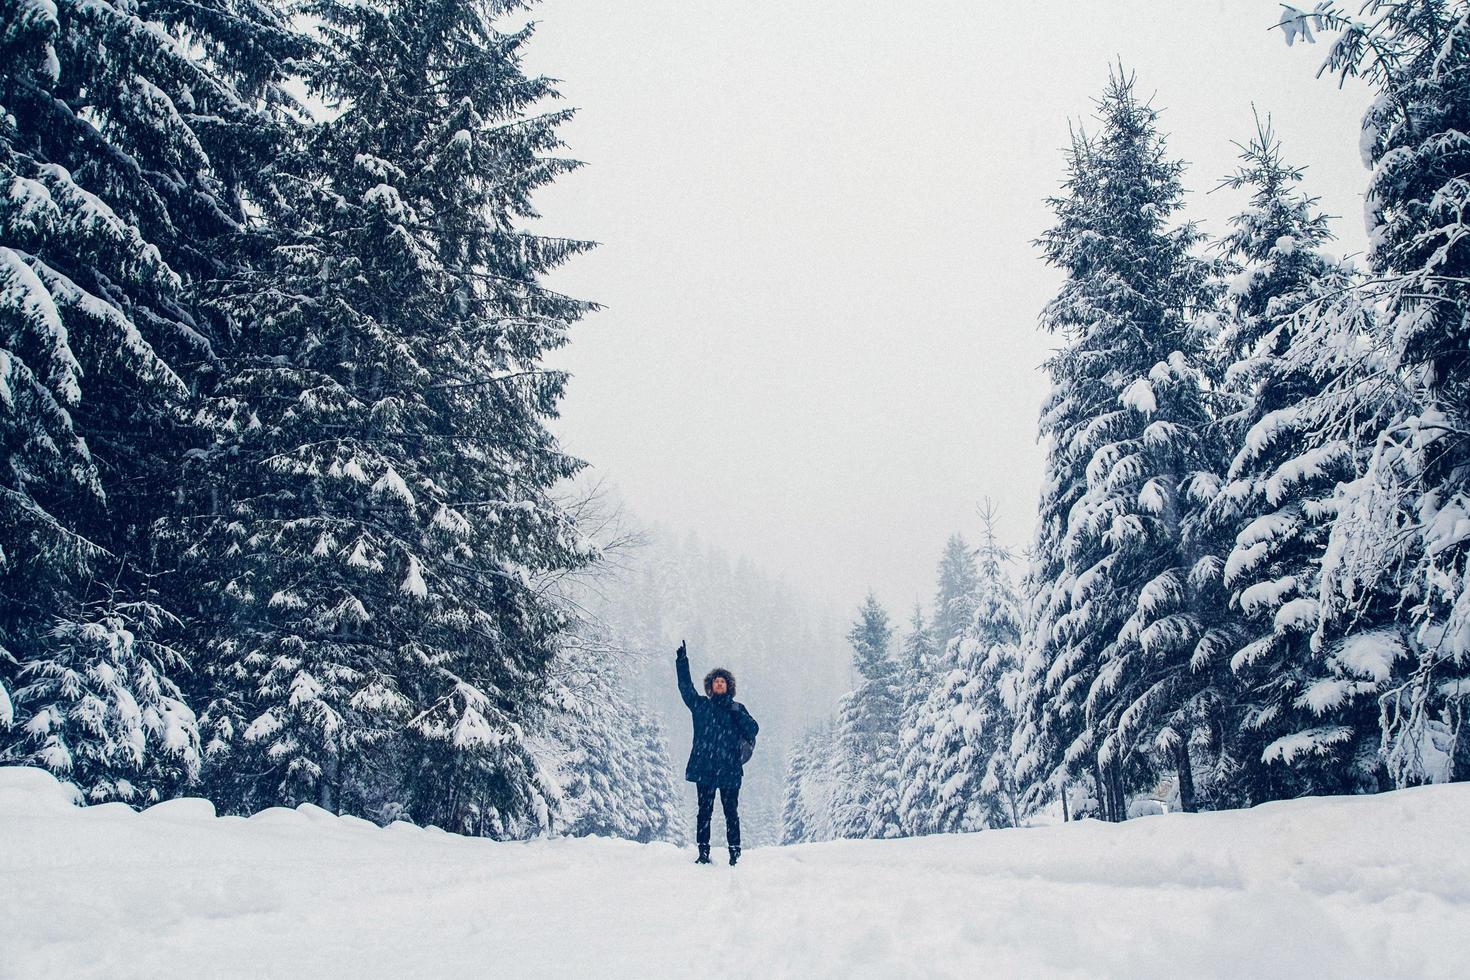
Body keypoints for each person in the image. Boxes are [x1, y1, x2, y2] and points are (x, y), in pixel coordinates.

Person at [675, 640, 758, 865]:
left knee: (731, 813)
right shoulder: (701, 706)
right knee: (704, 812)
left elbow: (754, 729)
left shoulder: (737, 709)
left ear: (728, 687)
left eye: (723, 682)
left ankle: (735, 852)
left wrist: (737, 714)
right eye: (716, 682)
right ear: (710, 687)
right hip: (705, 767)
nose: (719, 684)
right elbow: (686, 690)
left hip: (730, 768)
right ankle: (703, 852)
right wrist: (682, 663)